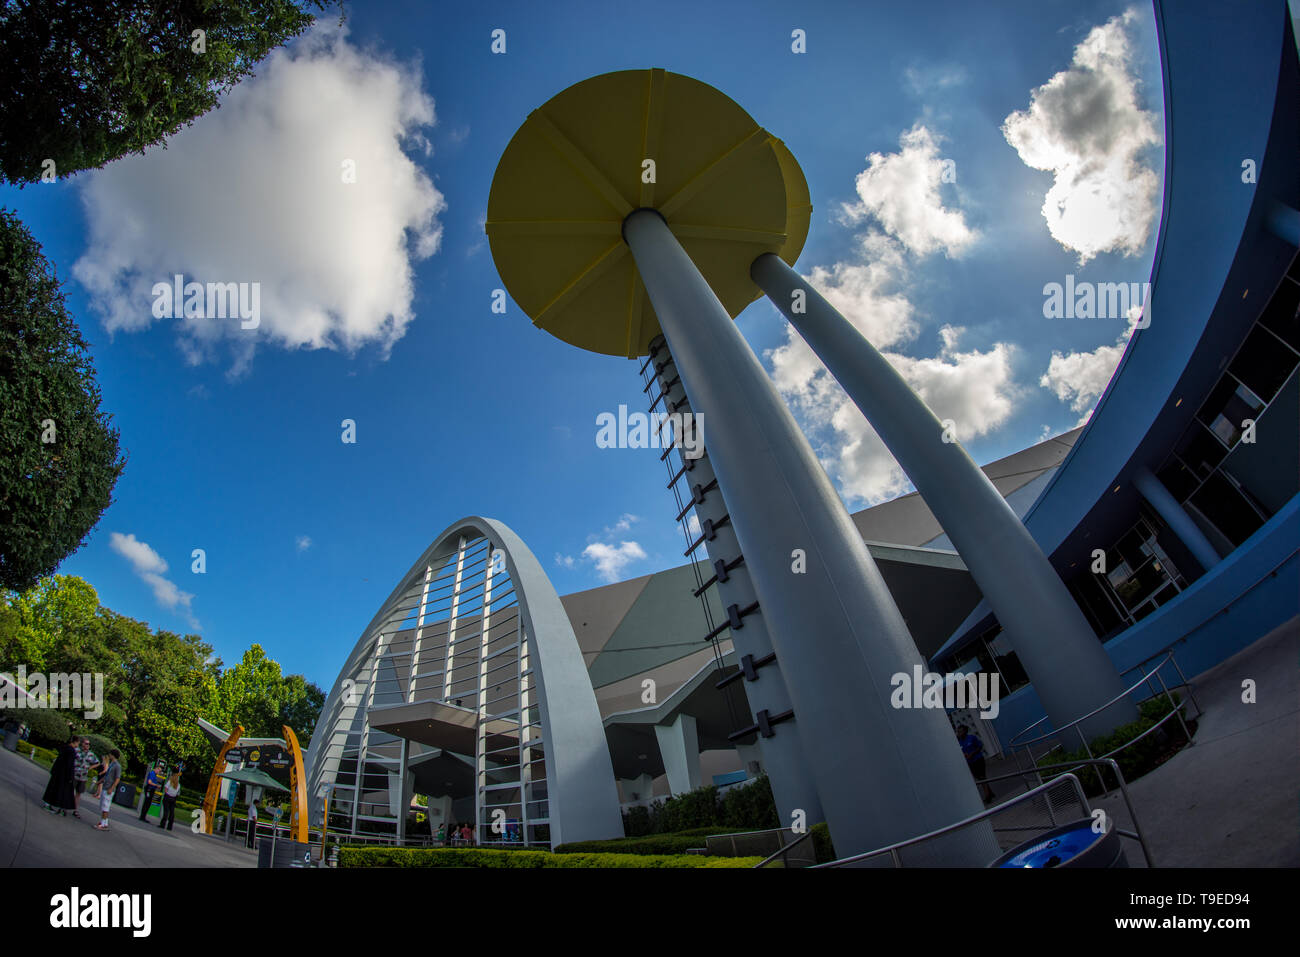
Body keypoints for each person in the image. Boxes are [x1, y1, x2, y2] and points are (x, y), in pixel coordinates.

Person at [956, 723, 995, 803]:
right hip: (970, 762)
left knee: (982, 777)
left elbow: (980, 746)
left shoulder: (972, 738)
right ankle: (990, 793)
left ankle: (988, 796)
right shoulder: (959, 742)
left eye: (961, 731)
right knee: (979, 778)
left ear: (965, 731)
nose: (959, 733)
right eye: (958, 732)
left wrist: (973, 753)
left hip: (978, 760)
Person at [41, 733, 78, 816]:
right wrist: (70, 776)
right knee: (62, 791)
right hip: (64, 774)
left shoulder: (65, 747)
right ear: (75, 742)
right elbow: (70, 765)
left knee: (52, 787)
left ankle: (48, 803)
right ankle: (59, 807)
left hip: (57, 772)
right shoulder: (71, 751)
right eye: (77, 743)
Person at [95, 749, 122, 830]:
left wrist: (111, 788)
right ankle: (104, 822)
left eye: (110, 754)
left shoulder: (117, 766)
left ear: (113, 755)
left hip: (109, 788)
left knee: (105, 807)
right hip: (105, 786)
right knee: (103, 805)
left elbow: (117, 778)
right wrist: (99, 782)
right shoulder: (112, 764)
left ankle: (103, 823)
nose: (109, 756)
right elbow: (107, 775)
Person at [71, 737, 98, 819]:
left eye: (89, 744)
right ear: (82, 744)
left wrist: (90, 767)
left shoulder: (91, 754)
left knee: (78, 794)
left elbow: (97, 762)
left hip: (83, 776)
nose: (88, 745)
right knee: (70, 791)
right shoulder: (76, 751)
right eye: (86, 743)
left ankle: (75, 810)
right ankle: (65, 807)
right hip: (75, 774)